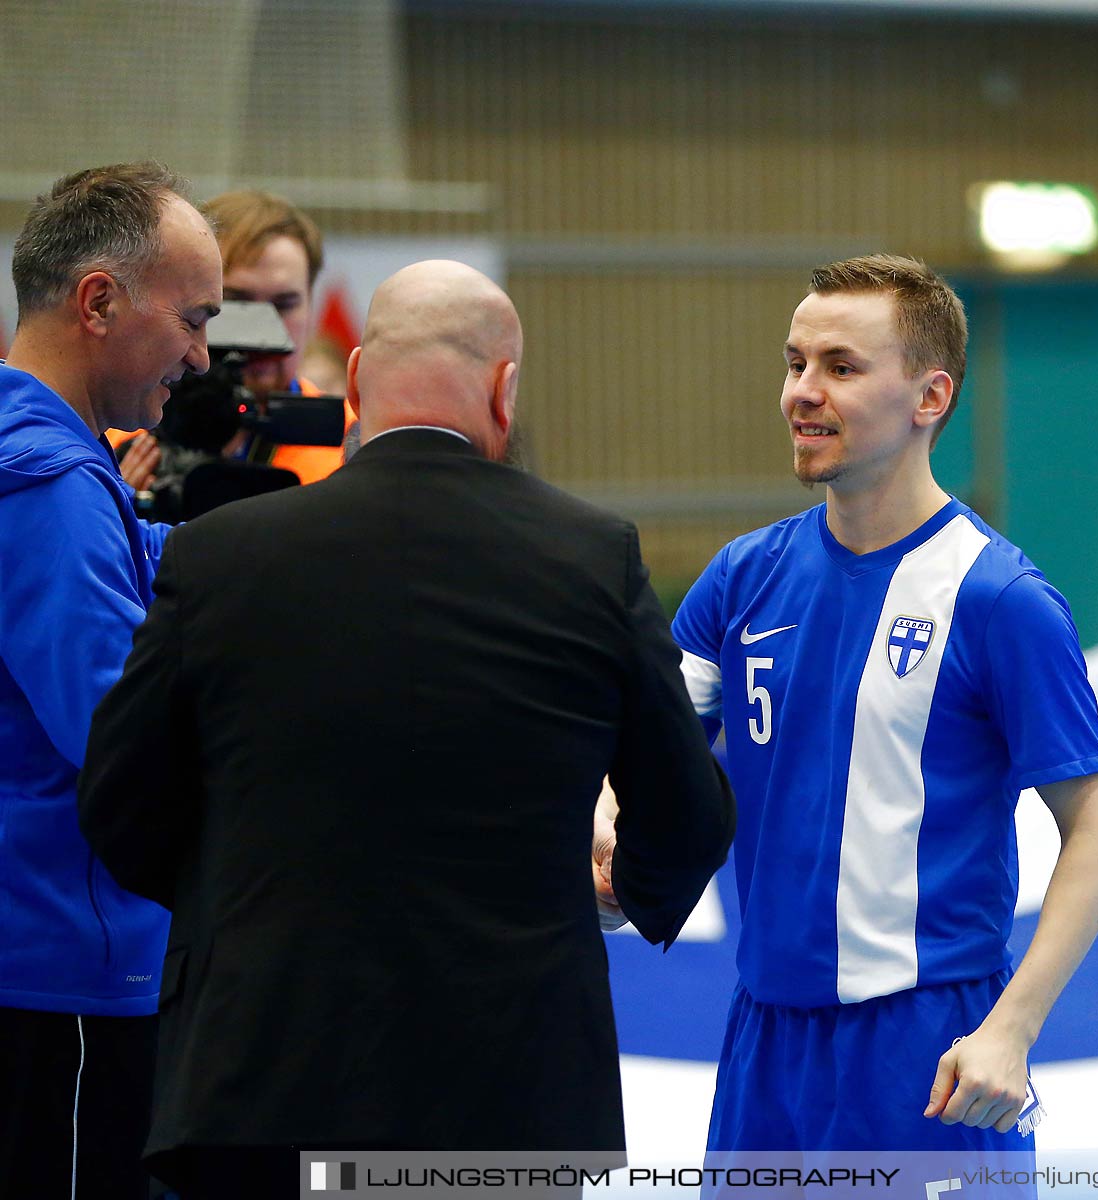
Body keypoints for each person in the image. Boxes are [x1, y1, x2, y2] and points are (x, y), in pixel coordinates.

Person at [78, 260, 735, 1197]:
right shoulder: (590, 558)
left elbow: (117, 800)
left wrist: (229, 892)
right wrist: (621, 888)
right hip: (510, 1096)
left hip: (262, 1079)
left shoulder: (221, 557)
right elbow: (688, 812)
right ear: (505, 392)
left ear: (352, 387)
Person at [668, 255, 1098, 1162]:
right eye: (795, 362)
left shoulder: (1001, 598)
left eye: (840, 367)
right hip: (763, 1042)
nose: (801, 392)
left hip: (928, 1052)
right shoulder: (740, 578)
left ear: (930, 398)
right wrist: (611, 834)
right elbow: (645, 751)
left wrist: (1012, 1030)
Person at [0, 162, 221, 1199]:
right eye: (193, 318)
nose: (203, 355)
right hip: (63, 970)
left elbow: (143, 556)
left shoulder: (49, 462)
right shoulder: (47, 483)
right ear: (99, 301)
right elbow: (118, 732)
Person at [114, 188, 354, 490]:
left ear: (311, 305)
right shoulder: (121, 433)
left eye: (284, 305)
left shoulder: (353, 442)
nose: (263, 330)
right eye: (237, 301)